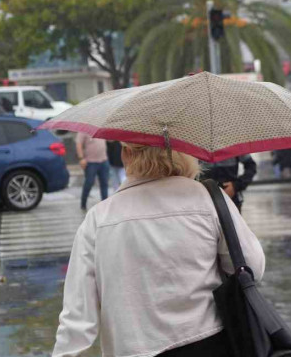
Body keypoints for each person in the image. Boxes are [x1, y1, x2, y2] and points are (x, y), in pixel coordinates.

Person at [52, 142, 265, 357]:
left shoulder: (99, 218)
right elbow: (252, 267)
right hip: (209, 342)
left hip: (133, 349)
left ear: (127, 154)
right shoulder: (208, 198)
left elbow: (78, 318)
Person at [76, 132, 109, 211]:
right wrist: (81, 158)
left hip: (103, 160)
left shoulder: (101, 129)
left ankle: (105, 204)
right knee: (89, 183)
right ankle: (83, 204)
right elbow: (78, 144)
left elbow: (109, 140)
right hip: (91, 162)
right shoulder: (83, 130)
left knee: (104, 183)